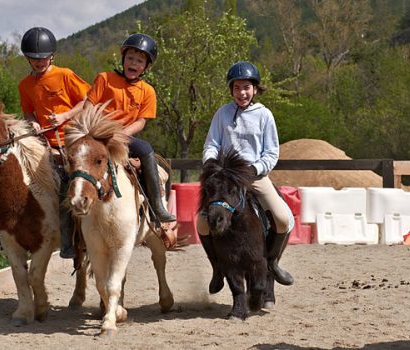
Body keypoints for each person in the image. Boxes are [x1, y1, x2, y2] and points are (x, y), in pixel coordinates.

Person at [197, 61, 295, 294]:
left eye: (246, 88)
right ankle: (217, 268)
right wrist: (211, 164)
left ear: (255, 89)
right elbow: (211, 144)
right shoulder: (222, 113)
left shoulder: (264, 115)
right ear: (231, 89)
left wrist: (256, 169)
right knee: (202, 223)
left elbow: (272, 152)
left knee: (282, 218)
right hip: (225, 178)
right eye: (237, 87)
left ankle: (272, 263)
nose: (242, 92)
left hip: (254, 176)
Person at [84, 33, 175, 223]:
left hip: (124, 137)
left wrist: (123, 133)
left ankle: (156, 205)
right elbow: (89, 107)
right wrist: (94, 128)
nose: (134, 63)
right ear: (123, 59)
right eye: (130, 58)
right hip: (97, 134)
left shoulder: (148, 91)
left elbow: (141, 121)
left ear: (146, 67)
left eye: (140, 61)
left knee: (146, 150)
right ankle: (68, 220)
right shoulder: (104, 79)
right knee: (75, 159)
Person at [18, 27, 91, 259]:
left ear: (52, 56)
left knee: (63, 185)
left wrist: (64, 116)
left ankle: (69, 240)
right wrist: (33, 124)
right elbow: (28, 112)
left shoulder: (65, 75)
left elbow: (88, 100)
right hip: (42, 142)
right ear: (27, 58)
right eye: (34, 58)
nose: (39, 62)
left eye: (43, 58)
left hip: (70, 139)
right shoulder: (24, 85)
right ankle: (12, 227)